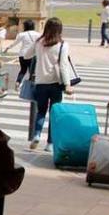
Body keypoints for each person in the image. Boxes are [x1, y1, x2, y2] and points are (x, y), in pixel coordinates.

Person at [24, 17, 74, 151]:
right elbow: (63, 66)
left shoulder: (39, 42)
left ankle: (37, 134)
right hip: (56, 83)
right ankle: (50, 143)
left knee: (41, 111)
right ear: (60, 30)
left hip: (40, 82)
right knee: (54, 113)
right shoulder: (63, 45)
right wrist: (67, 84)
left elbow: (26, 55)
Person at [5, 19, 41, 90]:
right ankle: (31, 86)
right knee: (32, 72)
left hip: (22, 55)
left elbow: (15, 43)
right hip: (32, 55)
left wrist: (8, 48)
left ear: (25, 26)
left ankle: (18, 83)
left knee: (23, 70)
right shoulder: (38, 34)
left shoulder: (21, 34)